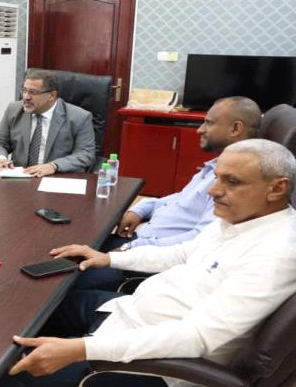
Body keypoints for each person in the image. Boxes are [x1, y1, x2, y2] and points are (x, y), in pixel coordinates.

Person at [4, 138, 296, 387]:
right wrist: (109, 258)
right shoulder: (242, 217)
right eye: (217, 177)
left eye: (231, 182)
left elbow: (197, 337)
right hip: (129, 313)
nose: (213, 190)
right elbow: (182, 253)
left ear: (277, 189)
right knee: (41, 309)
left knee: (8, 375)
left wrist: (80, 349)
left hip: (155, 362)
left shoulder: (276, 253)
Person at [75, 96, 261, 291]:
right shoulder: (216, 165)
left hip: (149, 259)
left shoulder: (231, 182)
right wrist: (141, 209)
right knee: (75, 248)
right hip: (139, 242)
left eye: (209, 122)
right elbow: (181, 198)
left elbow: (197, 240)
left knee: (70, 283)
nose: (200, 129)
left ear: (235, 129)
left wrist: (129, 248)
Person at [0, 69, 95, 177]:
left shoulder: (79, 117)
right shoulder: (14, 109)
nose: (26, 97)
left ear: (52, 95)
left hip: (56, 178)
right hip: (20, 177)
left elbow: (85, 154)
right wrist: (0, 158)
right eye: (24, 90)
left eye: (33, 92)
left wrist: (53, 166)